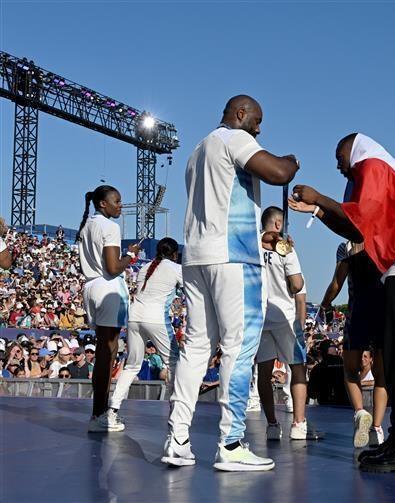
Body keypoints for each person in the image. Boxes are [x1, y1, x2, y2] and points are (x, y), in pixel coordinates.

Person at [290, 133, 395, 474]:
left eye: (338, 157)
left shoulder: (371, 165)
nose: (337, 165)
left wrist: (320, 197)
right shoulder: (377, 167)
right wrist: (317, 208)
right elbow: (357, 233)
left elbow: (358, 220)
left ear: (352, 149)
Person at [163, 95, 299, 472]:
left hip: (197, 256)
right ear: (240, 114)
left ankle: (177, 438)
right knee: (239, 347)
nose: (259, 129)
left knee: (196, 347)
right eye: (257, 120)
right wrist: (291, 162)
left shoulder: (196, 151)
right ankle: (232, 442)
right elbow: (278, 173)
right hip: (234, 257)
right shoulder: (234, 138)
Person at [77, 185, 139, 432]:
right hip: (107, 288)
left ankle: (97, 414)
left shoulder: (88, 224)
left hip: (91, 286)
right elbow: (113, 267)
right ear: (103, 204)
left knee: (105, 351)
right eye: (117, 201)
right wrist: (131, 256)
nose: (120, 206)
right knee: (107, 353)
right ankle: (100, 415)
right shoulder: (110, 226)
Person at [319, 240, 387, 449]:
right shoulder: (383, 237)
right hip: (384, 310)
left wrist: (325, 303)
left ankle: (360, 412)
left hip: (358, 311)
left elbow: (337, 283)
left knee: (350, 370)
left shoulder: (346, 246)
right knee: (381, 376)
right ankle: (376, 427)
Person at [255, 207, 311, 441]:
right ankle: (298, 423)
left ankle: (271, 424)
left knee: (264, 372)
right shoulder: (285, 248)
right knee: (298, 369)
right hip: (284, 317)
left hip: (260, 316)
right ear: (278, 224)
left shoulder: (251, 244)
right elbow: (297, 285)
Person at [109, 238, 182, 418]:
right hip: (156, 318)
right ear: (174, 254)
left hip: (134, 317)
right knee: (174, 363)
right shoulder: (176, 268)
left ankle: (112, 410)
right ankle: (176, 412)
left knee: (132, 365)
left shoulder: (145, 267)